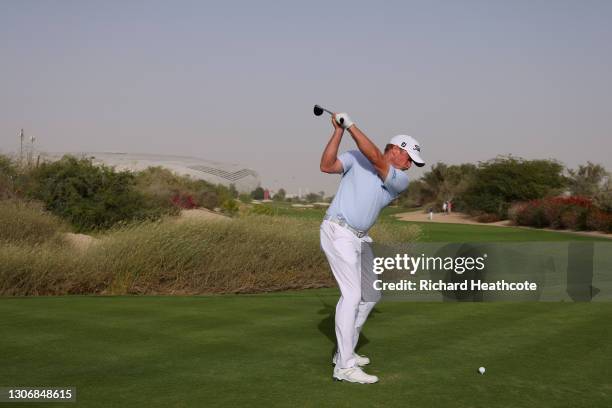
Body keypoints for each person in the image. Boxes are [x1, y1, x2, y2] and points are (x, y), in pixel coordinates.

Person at [319, 111, 425, 384]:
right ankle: (344, 366)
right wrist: (339, 131)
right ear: (397, 151)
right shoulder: (356, 157)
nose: (411, 165)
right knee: (352, 296)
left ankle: (346, 352)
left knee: (370, 296)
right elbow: (327, 166)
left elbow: (377, 158)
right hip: (338, 230)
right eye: (410, 158)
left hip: (360, 237)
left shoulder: (399, 179)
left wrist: (352, 125)